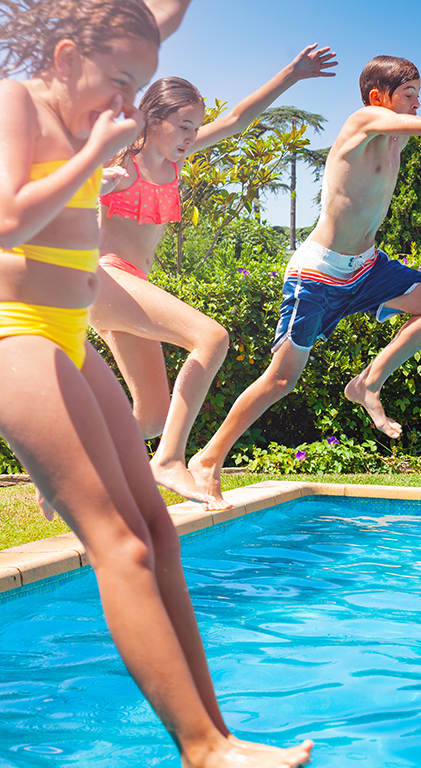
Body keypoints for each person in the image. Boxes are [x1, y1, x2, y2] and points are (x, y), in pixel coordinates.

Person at [0, 1, 312, 765]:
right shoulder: (23, 103)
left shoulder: (95, 98)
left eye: (138, 90)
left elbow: (161, 13)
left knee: (160, 533)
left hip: (71, 333)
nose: (125, 105)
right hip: (17, 329)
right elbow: (5, 219)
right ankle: (202, 748)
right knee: (121, 546)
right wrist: (93, 158)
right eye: (120, 83)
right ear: (68, 57)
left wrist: (289, 74)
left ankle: (222, 738)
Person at [189, 54, 421, 504]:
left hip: (366, 266)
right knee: (281, 379)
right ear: (378, 97)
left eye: (420, 95)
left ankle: (367, 383)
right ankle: (208, 459)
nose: (418, 104)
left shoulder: (394, 138)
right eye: (409, 94)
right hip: (318, 272)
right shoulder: (363, 120)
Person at [90, 44, 337, 507]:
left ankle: (68, 465)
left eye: (195, 127)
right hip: (104, 278)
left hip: (128, 288)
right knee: (211, 338)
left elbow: (239, 118)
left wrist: (293, 73)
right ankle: (168, 462)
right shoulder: (124, 162)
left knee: (152, 417)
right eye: (183, 125)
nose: (191, 135)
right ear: (152, 118)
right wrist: (91, 183)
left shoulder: (174, 160)